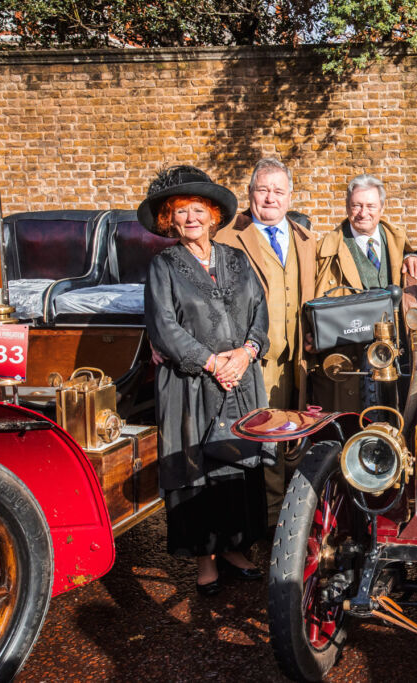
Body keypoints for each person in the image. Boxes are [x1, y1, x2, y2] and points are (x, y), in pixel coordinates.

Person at [140, 165, 270, 595]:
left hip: (241, 380)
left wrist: (248, 351)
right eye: (180, 212)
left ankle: (234, 548)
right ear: (168, 220)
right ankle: (205, 560)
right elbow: (163, 327)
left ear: (213, 215)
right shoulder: (164, 266)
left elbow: (259, 312)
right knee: (196, 468)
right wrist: (214, 362)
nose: (191, 218)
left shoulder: (236, 258)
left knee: (236, 464)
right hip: (191, 384)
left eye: (199, 209)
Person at [214, 157, 316, 529]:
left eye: (278, 191)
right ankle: (273, 522)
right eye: (263, 190)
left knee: (296, 432)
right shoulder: (227, 239)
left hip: (299, 358)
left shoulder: (305, 239)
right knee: (265, 436)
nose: (270, 198)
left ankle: (295, 512)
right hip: (254, 357)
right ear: (250, 194)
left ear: (290, 197)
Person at [311, 174, 417, 410]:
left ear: (381, 208)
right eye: (357, 205)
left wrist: (411, 255)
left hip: (396, 348)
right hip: (353, 349)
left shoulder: (397, 241)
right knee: (361, 413)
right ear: (347, 207)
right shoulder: (326, 249)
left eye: (370, 206)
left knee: (396, 408)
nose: (363, 213)